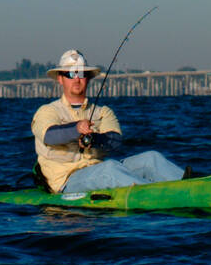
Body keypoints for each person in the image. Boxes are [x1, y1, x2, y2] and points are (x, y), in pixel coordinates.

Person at [31, 49, 186, 195]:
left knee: (151, 158)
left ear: (88, 78)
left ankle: (193, 185)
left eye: (81, 73)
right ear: (60, 78)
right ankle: (158, 196)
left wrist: (95, 140)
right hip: (66, 181)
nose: (77, 79)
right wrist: (76, 129)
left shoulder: (103, 112)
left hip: (98, 169)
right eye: (71, 74)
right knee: (109, 169)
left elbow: (116, 141)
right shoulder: (47, 111)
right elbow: (49, 136)